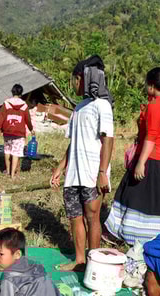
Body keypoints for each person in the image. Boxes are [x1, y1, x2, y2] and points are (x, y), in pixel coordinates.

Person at [104, 67, 160, 245]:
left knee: (131, 196)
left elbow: (151, 137)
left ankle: (125, 234)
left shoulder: (155, 105)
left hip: (152, 159)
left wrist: (141, 162)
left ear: (151, 85)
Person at [50, 56, 115, 272]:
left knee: (92, 217)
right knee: (74, 217)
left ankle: (93, 263)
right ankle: (80, 261)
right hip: (73, 174)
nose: (74, 84)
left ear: (85, 78)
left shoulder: (102, 106)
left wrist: (102, 172)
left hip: (92, 173)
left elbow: (108, 140)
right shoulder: (78, 108)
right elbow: (73, 143)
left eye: (76, 80)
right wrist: (60, 168)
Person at [0, 83, 35, 180]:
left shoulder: (6, 103)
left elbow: (1, 117)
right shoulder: (24, 105)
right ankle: (12, 175)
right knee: (16, 153)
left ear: (12, 92)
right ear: (21, 93)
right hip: (19, 133)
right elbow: (28, 120)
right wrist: (31, 129)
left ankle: (7, 171)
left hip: (7, 131)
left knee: (7, 151)